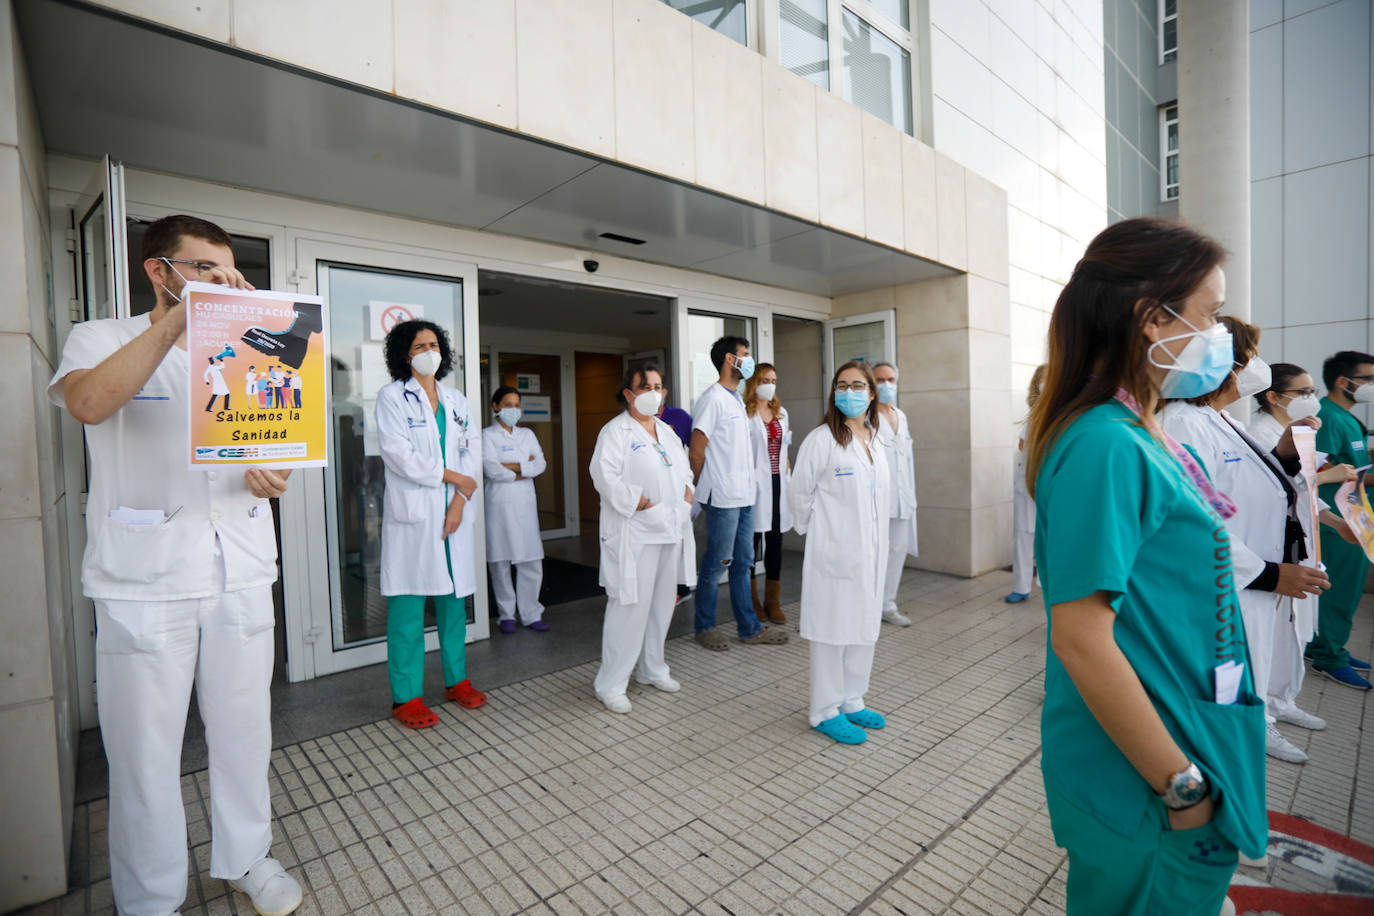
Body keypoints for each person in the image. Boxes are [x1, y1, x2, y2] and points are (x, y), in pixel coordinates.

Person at [48, 214, 303, 916]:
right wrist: (179, 324)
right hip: (146, 579)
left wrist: (274, 473)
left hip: (240, 569)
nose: (221, 280)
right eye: (205, 268)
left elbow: (274, 436)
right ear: (159, 271)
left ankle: (248, 857)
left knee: (245, 730)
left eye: (228, 270)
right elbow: (88, 403)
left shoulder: (249, 347)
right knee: (143, 750)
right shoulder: (102, 337)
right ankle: (150, 897)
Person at [1027, 218, 1266, 914]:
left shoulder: (1142, 428)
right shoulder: (1105, 444)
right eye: (1210, 315)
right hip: (1152, 780)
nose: (1219, 335)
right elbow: (1081, 639)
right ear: (1152, 319)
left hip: (1187, 730)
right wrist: (1182, 787)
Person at [1162, 317, 1331, 766]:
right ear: (1221, 362)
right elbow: (1189, 519)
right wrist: (1268, 574)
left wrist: (1285, 455)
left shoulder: (1217, 418)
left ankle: (1258, 717)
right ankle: (1237, 736)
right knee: (1229, 670)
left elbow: (1245, 487)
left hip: (1250, 578)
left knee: (1254, 659)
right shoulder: (1181, 423)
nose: (1258, 366)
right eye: (1251, 356)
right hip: (1230, 581)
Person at [375, 319, 487, 729]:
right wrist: (455, 478)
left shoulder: (455, 399)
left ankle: (456, 680)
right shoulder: (392, 397)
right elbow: (398, 455)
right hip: (415, 518)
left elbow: (471, 450)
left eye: (435, 345)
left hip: (454, 513)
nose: (429, 352)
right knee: (407, 608)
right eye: (420, 346)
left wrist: (459, 501)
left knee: (453, 603)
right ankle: (406, 696)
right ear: (405, 355)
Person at [1249, 363, 1357, 735]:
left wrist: (1338, 523)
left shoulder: (1298, 432)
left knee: (1293, 632)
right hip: (1274, 549)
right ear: (1273, 397)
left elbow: (1305, 493)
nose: (1311, 398)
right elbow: (1275, 487)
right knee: (1270, 635)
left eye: (1313, 391)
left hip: (1301, 545)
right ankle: (1262, 716)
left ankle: (1282, 700)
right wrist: (1329, 477)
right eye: (1302, 392)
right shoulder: (1259, 434)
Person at [790, 361, 890, 745]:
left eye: (858, 385)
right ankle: (825, 710)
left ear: (871, 393)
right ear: (834, 392)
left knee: (863, 628)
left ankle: (852, 699)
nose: (849, 392)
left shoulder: (875, 438)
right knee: (832, 632)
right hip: (834, 552)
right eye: (842, 385)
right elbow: (799, 493)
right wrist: (821, 532)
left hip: (871, 554)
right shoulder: (821, 440)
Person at [591, 363, 696, 713]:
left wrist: (687, 497)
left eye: (658, 386)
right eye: (645, 386)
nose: (654, 393)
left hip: (670, 529)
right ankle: (611, 684)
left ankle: (652, 669)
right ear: (628, 393)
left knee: (662, 605)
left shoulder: (667, 431)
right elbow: (603, 476)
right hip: (635, 533)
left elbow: (685, 471)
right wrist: (640, 502)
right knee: (629, 608)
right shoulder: (615, 432)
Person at [688, 335, 787, 650]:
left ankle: (749, 628)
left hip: (745, 496)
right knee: (717, 563)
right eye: (745, 354)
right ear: (730, 359)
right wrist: (705, 487)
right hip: (723, 497)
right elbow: (696, 451)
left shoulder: (736, 400)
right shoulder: (712, 399)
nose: (749, 360)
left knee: (744, 563)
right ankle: (705, 627)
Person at [1310, 350, 1374, 689]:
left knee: (1347, 588)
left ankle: (1328, 646)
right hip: (1339, 518)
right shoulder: (1327, 417)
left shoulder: (1345, 418)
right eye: (1368, 379)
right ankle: (1329, 656)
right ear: (1342, 381)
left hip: (1357, 514)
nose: (1372, 385)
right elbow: (1321, 469)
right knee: (1338, 589)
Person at [482, 386, 549, 633]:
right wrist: (523, 468)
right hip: (499, 505)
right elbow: (491, 469)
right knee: (500, 561)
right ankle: (506, 614)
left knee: (531, 559)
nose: (513, 410)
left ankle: (531, 614)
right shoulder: (486, 436)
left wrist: (510, 466)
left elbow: (540, 464)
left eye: (517, 405)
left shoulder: (527, 435)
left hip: (525, 504)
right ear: (496, 406)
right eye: (508, 405)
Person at [744, 363, 792, 624]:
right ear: (754, 383)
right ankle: (752, 601)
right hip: (754, 484)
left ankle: (772, 602)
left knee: (775, 541)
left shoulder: (781, 413)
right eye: (765, 380)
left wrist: (787, 468)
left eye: (773, 380)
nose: (770, 385)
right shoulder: (746, 414)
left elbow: (785, 448)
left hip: (777, 483)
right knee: (751, 543)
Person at [872, 361, 919, 625]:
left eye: (891, 380)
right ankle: (869, 606)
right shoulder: (866, 418)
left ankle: (887, 605)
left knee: (897, 551)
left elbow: (907, 459)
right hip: (877, 500)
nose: (886, 385)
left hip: (902, 498)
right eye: (880, 380)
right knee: (874, 554)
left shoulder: (901, 416)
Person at [1007, 365, 1047, 603]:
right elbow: (1022, 444)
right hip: (1027, 479)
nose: (1045, 382)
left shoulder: (1063, 411)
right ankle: (1021, 587)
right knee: (1023, 534)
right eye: (1042, 378)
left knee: (1049, 534)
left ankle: (1047, 584)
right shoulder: (1033, 413)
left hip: (1050, 481)